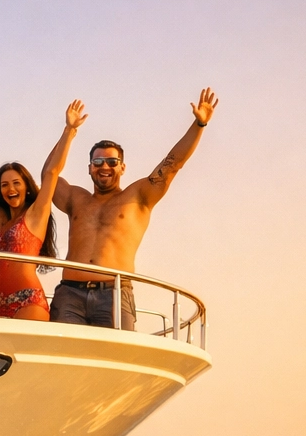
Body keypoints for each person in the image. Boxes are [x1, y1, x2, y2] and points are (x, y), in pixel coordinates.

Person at [49, 88, 218, 330]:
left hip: (114, 292)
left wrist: (199, 124)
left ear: (123, 167)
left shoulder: (138, 195)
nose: (104, 166)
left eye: (111, 162)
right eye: (97, 162)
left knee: (116, 359)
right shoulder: (76, 198)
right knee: (64, 357)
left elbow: (173, 164)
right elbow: (49, 176)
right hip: (70, 295)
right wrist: (69, 131)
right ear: (89, 168)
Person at [0, 100, 84, 320]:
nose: (11, 189)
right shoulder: (2, 220)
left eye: (16, 183)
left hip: (27, 301)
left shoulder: (35, 214)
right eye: (5, 185)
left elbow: (52, 172)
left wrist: (69, 131)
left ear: (26, 186)